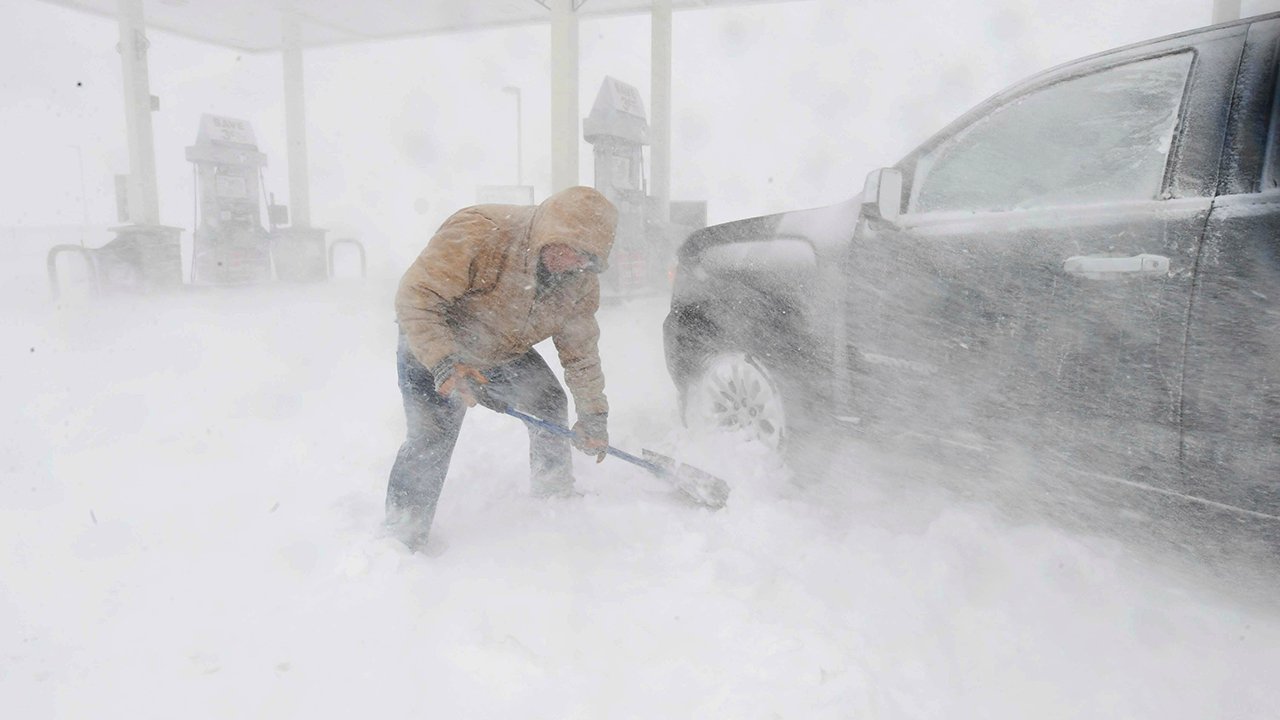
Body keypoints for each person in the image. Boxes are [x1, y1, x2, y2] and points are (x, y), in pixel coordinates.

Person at [386, 186, 619, 550]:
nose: (574, 261)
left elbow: (581, 353)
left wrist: (593, 416)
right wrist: (447, 363)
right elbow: (416, 298)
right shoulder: (481, 230)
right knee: (431, 437)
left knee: (547, 401)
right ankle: (403, 538)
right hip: (433, 342)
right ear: (548, 231)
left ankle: (553, 495)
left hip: (499, 348)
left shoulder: (580, 282)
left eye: (586, 257)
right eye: (569, 247)